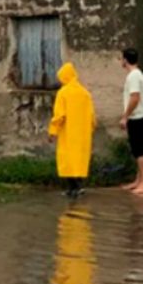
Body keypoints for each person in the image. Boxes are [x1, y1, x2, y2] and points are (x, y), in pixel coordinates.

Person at [48, 62, 96, 199]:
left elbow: (59, 115)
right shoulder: (85, 93)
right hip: (82, 134)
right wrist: (90, 129)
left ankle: (72, 188)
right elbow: (92, 116)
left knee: (68, 160)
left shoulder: (63, 93)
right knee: (79, 160)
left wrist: (53, 131)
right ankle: (78, 187)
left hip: (68, 133)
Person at [119, 48, 143, 195]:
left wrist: (125, 116)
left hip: (137, 117)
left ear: (125, 60)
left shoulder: (133, 76)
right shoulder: (136, 75)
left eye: (121, 59)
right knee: (138, 150)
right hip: (138, 116)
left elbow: (135, 97)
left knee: (140, 150)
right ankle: (139, 180)